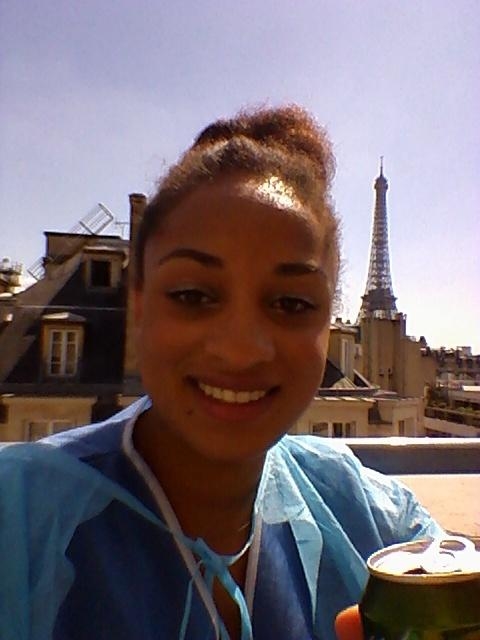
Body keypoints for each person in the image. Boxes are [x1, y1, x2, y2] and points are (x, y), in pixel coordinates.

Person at [0, 105, 443, 640]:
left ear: (330, 325)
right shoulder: (14, 518)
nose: (240, 350)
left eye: (291, 303)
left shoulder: (376, 518)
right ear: (137, 305)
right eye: (193, 295)